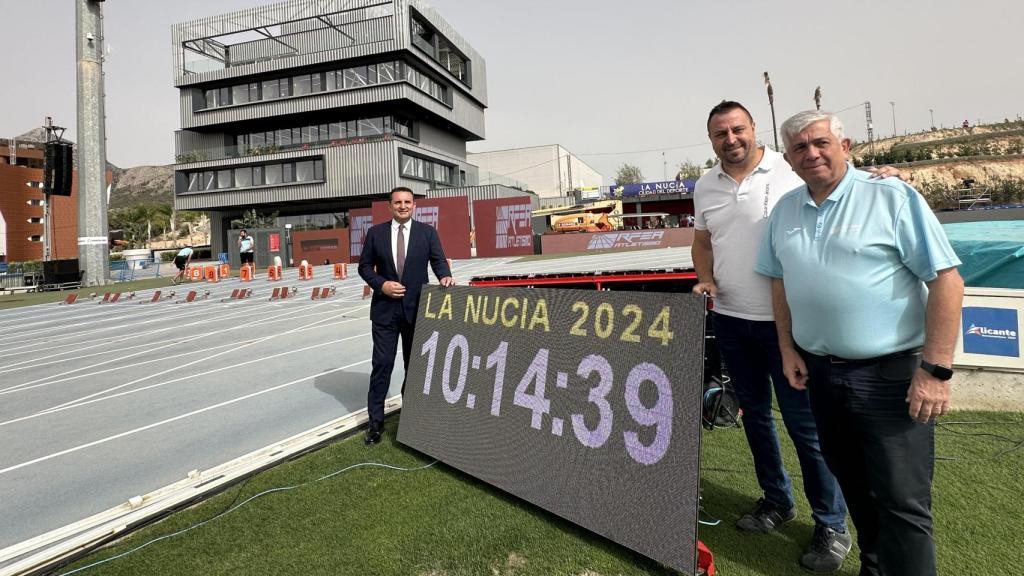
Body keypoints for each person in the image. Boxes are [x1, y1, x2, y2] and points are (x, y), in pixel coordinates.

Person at [756, 110, 964, 576]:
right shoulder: (785, 211)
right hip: (821, 374)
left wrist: (935, 370)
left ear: (844, 146)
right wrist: (788, 348)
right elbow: (779, 282)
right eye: (799, 148)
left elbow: (947, 281)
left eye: (820, 143)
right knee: (854, 486)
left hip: (889, 375)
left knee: (901, 501)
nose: (811, 154)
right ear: (788, 159)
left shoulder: (890, 196)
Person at [691, 101, 851, 572]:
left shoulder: (791, 167)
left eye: (737, 129)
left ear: (753, 129)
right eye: (720, 133)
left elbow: (841, 184)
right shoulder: (705, 185)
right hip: (732, 320)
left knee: (807, 428)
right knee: (756, 418)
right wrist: (706, 277)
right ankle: (777, 500)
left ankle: (832, 522)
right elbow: (703, 241)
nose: (731, 139)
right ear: (712, 139)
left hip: (790, 325)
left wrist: (881, 175)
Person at [358, 187, 454, 445]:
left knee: (415, 368)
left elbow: (439, 262)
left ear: (414, 205)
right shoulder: (375, 233)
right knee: (382, 366)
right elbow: (364, 267)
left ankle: (410, 418)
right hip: (384, 313)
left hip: (417, 311)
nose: (403, 206)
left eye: (407, 202)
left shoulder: (427, 232)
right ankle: (375, 424)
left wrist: (444, 275)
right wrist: (381, 285)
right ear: (389, 206)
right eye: (397, 202)